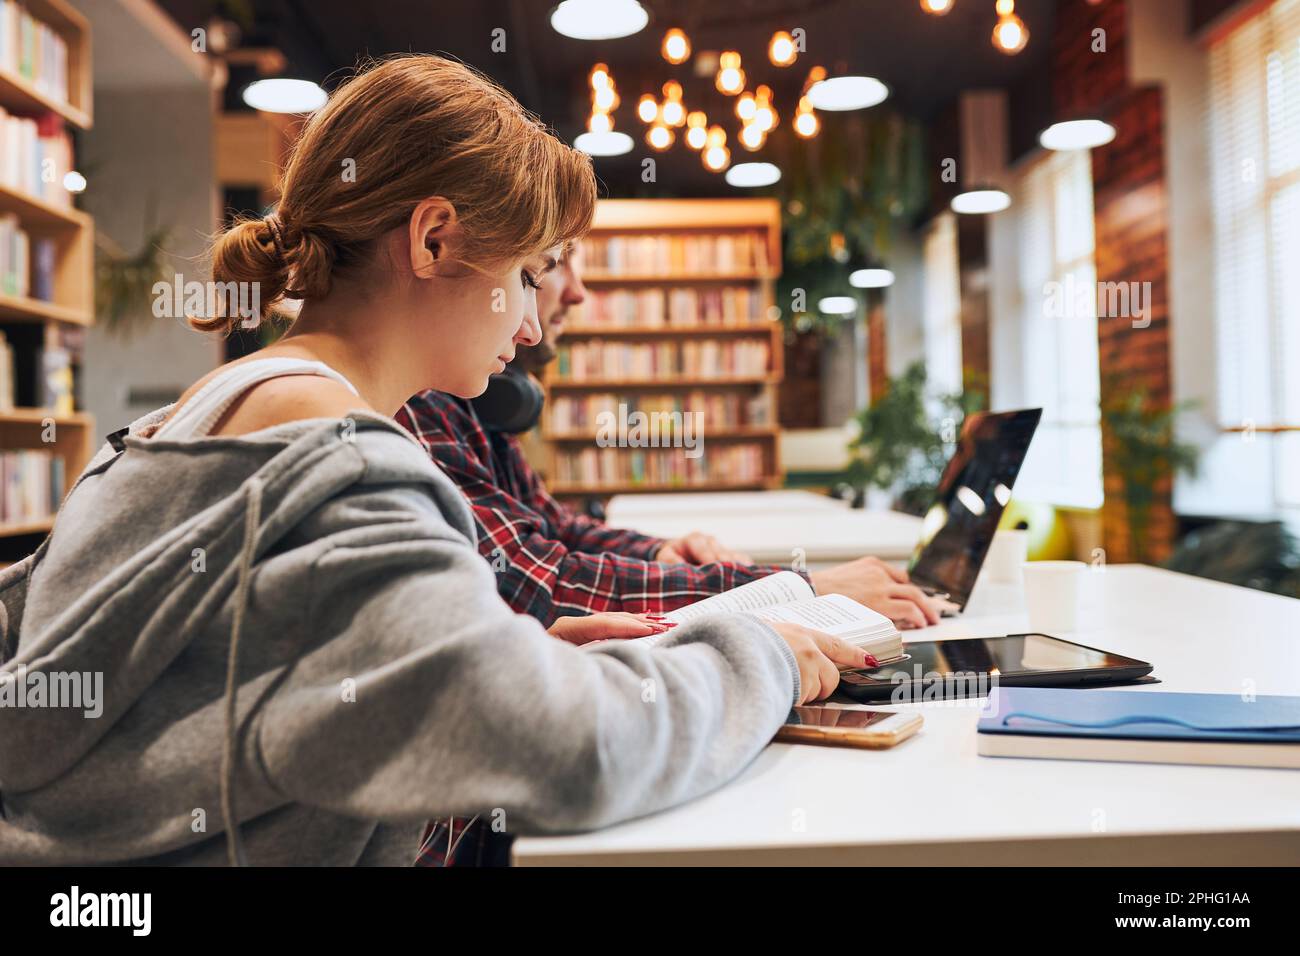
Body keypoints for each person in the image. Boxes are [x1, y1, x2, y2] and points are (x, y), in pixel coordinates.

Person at [0, 55, 864, 867]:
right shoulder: (345, 463)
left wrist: (505, 655)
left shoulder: (190, 422)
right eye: (528, 274)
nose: (530, 325)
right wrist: (761, 654)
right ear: (435, 241)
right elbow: (572, 755)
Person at [397, 244, 951, 630]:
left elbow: (552, 530)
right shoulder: (415, 405)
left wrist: (662, 553)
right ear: (433, 245)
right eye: (540, 270)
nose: (577, 296)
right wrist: (794, 592)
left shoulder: (468, 406)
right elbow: (537, 586)